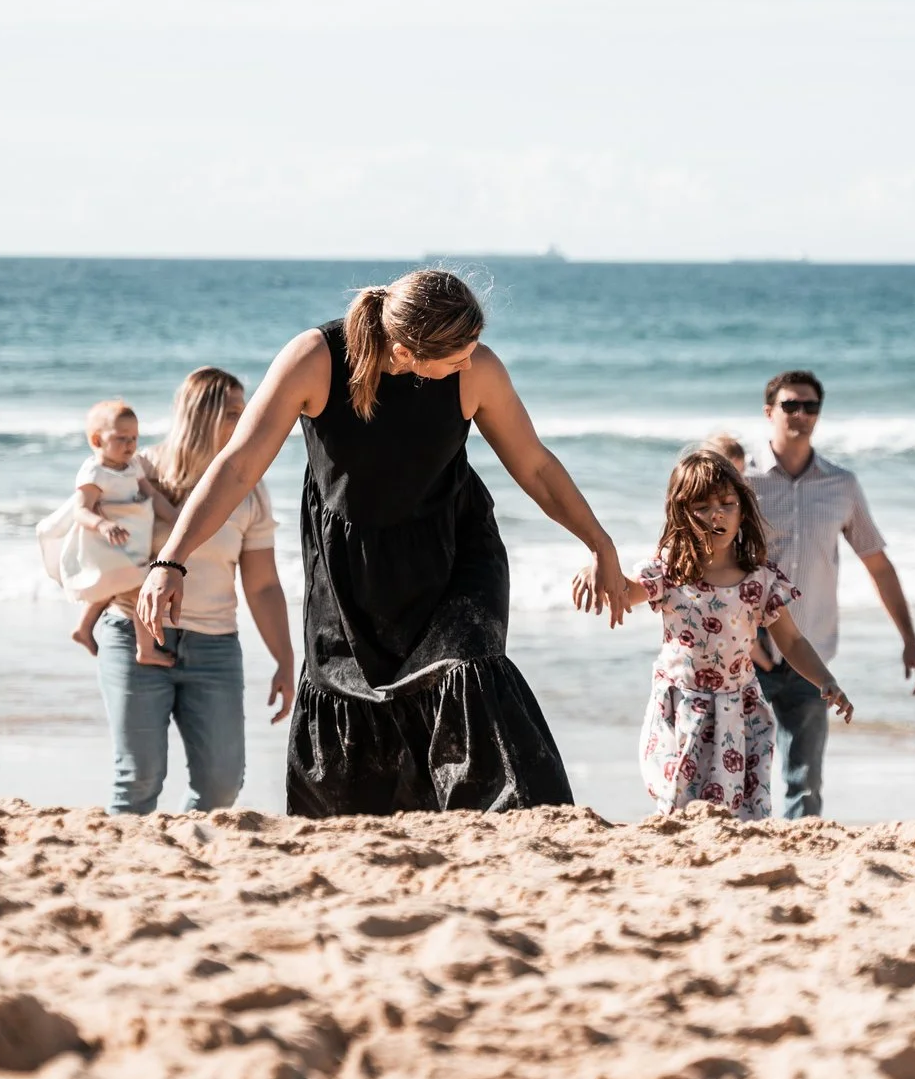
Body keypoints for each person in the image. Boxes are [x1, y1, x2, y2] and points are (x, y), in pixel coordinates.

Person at [138, 270, 635, 816]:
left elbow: (535, 466)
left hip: (456, 554)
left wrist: (600, 544)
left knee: (469, 670)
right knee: (352, 718)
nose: (470, 363)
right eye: (457, 357)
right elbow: (237, 466)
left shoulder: (478, 370)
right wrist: (171, 559)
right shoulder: (315, 359)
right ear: (404, 351)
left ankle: (527, 829)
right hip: (351, 572)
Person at [582, 450, 850, 819]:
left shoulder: (760, 580)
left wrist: (825, 678)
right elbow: (625, 592)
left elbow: (792, 640)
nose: (717, 515)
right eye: (703, 507)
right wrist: (599, 564)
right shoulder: (670, 572)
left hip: (738, 709)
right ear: (682, 513)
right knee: (679, 805)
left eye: (727, 504)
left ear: (742, 511)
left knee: (740, 811)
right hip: (682, 706)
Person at [97, 369, 295, 815]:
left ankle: (185, 858)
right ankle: (131, 872)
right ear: (198, 415)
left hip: (215, 647)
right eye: (232, 413)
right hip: (133, 637)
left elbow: (262, 584)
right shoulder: (139, 473)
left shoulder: (250, 491)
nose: (244, 423)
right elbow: (101, 551)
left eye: (244, 413)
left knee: (221, 786)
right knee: (138, 780)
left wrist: (285, 658)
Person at [746, 369, 915, 820]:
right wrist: (747, 637)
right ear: (769, 412)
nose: (801, 415)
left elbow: (878, 565)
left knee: (804, 784)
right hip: (746, 652)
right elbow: (713, 560)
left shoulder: (841, 485)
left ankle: (798, 873)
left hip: (812, 649)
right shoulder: (742, 482)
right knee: (741, 772)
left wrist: (909, 640)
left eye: (810, 407)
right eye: (790, 405)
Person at [63, 399, 177, 662]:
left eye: (134, 438)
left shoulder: (133, 465)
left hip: (130, 540)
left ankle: (83, 628)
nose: (130, 444)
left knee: (114, 586)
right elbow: (80, 510)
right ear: (97, 440)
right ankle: (145, 650)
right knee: (140, 587)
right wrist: (104, 524)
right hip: (107, 542)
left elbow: (152, 496)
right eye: (121, 438)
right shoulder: (94, 472)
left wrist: (176, 519)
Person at [697, 432, 773, 673]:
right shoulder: (700, 511)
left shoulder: (738, 506)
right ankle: (756, 650)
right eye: (729, 473)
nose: (736, 480)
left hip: (743, 584)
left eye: (740, 474)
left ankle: (757, 649)